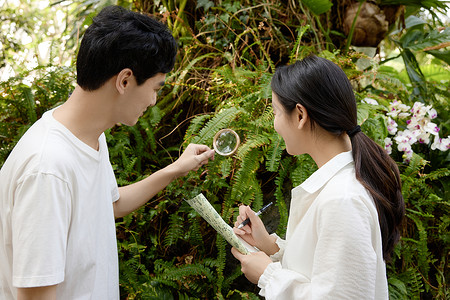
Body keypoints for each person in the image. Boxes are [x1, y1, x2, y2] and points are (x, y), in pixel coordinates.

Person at [0, 6, 215, 300]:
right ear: (124, 80)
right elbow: (34, 295)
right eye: (155, 88)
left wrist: (176, 168)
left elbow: (109, 204)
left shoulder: (89, 137)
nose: (153, 100)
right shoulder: (47, 168)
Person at [231, 55, 404, 299]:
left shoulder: (342, 199)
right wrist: (269, 247)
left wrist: (268, 275)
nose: (274, 125)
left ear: (300, 115)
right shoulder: (341, 187)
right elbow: (322, 270)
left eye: (276, 112)